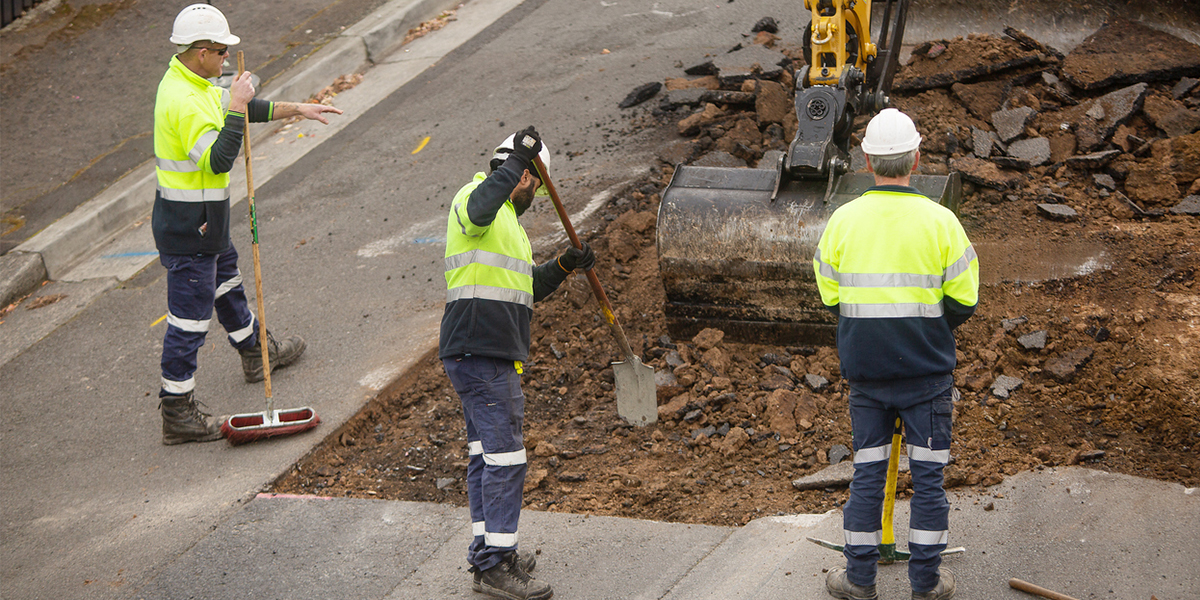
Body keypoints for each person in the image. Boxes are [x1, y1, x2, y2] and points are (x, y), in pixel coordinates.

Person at [152, 4, 343, 445]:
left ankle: (257, 355)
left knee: (228, 283)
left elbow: (238, 107)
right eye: (220, 51)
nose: (225, 59)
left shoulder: (194, 81)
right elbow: (219, 160)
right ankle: (177, 411)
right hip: (190, 229)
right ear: (200, 52)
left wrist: (296, 108)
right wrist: (237, 104)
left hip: (205, 221)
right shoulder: (183, 101)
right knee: (189, 321)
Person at [813, 108, 979, 600]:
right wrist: (927, 330)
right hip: (927, 375)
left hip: (867, 375)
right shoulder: (941, 221)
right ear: (917, 158)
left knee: (867, 474)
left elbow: (829, 296)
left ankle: (860, 581)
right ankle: (925, 584)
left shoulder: (843, 220)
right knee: (928, 480)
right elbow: (965, 299)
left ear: (866, 160)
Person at [440, 126, 594, 600]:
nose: (536, 196)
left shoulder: (508, 225)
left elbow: (524, 291)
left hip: (484, 353)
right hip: (480, 353)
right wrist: (517, 165)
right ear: (527, 178)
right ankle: (495, 565)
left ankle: (489, 549)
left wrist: (565, 266)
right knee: (506, 458)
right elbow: (479, 205)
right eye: (538, 185)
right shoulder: (477, 199)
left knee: (486, 457)